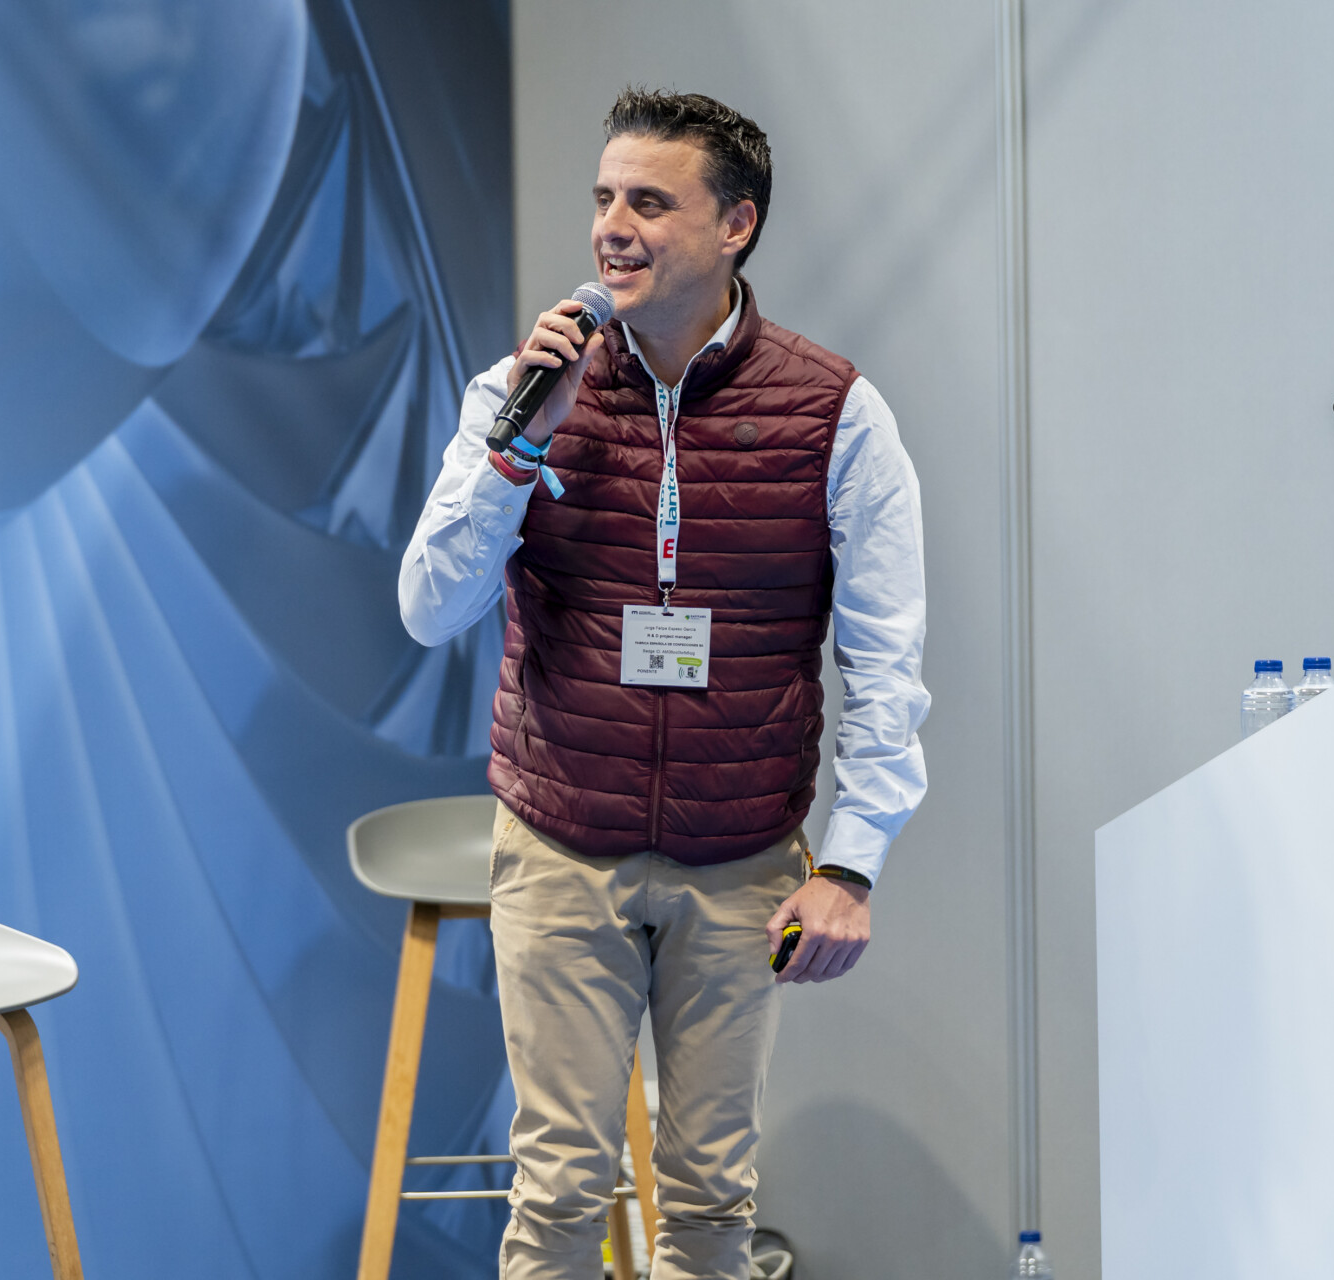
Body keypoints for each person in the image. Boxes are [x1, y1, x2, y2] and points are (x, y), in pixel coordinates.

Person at [398, 88, 929, 1280]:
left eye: (649, 201)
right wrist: (522, 447)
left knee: (709, 1201)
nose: (612, 226)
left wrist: (851, 862)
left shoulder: (837, 413)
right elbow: (429, 606)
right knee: (558, 1191)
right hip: (560, 840)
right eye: (604, 198)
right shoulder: (519, 390)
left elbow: (886, 657)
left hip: (741, 854)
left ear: (736, 225)